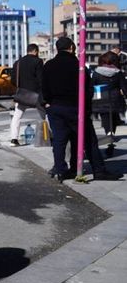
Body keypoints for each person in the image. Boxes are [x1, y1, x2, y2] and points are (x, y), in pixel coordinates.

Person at [42, 37, 121, 182]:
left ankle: (60, 169)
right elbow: (87, 89)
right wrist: (87, 109)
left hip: (55, 107)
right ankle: (98, 170)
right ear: (71, 48)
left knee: (60, 140)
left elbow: (43, 87)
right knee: (88, 140)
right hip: (75, 108)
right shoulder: (78, 66)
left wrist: (47, 103)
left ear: (56, 49)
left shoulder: (48, 65)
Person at [9, 44, 47, 146]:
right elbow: (41, 79)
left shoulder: (18, 63)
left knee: (17, 117)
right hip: (36, 95)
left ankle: (13, 139)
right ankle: (48, 136)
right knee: (45, 115)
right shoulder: (38, 61)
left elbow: (13, 79)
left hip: (22, 94)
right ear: (35, 51)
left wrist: (20, 87)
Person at [92, 51, 127, 157]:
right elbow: (124, 88)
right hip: (115, 101)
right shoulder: (118, 73)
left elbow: (92, 86)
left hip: (100, 100)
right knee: (114, 121)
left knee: (106, 120)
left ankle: (109, 135)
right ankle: (110, 137)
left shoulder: (97, 72)